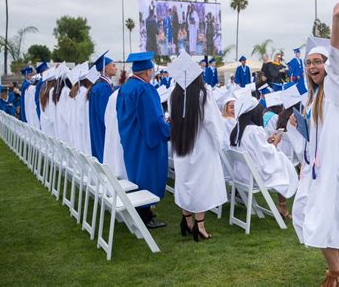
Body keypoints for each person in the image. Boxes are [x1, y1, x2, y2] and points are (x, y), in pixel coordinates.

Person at [288, 0, 339, 286]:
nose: (313, 66)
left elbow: (337, 55)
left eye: (318, 61)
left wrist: (335, 19)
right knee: (302, 215)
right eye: (309, 62)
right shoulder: (311, 98)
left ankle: (336, 271)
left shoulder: (336, 90)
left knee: (321, 220)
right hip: (315, 168)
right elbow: (315, 137)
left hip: (334, 169)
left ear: (328, 66)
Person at [169, 50, 227, 242]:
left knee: (185, 183)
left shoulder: (174, 94)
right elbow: (212, 122)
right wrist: (221, 142)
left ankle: (187, 221)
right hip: (201, 147)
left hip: (181, 146)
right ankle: (199, 226)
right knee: (200, 185)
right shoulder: (203, 94)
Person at [117, 52, 170, 228]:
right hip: (145, 142)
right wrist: (169, 130)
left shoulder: (125, 87)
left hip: (131, 138)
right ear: (147, 72)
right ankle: (145, 216)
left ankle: (143, 212)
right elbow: (153, 120)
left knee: (137, 175)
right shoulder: (144, 89)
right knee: (147, 175)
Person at [230, 95, 298, 219]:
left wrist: (267, 141)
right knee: (283, 163)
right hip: (252, 176)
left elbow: (256, 149)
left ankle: (282, 206)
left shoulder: (238, 128)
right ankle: (282, 206)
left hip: (241, 174)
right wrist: (276, 142)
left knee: (281, 161)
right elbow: (265, 154)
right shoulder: (254, 130)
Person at [89, 51, 117, 163]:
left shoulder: (99, 85)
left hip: (97, 126)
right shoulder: (103, 88)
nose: (116, 68)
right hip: (102, 128)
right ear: (105, 69)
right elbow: (105, 114)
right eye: (113, 65)